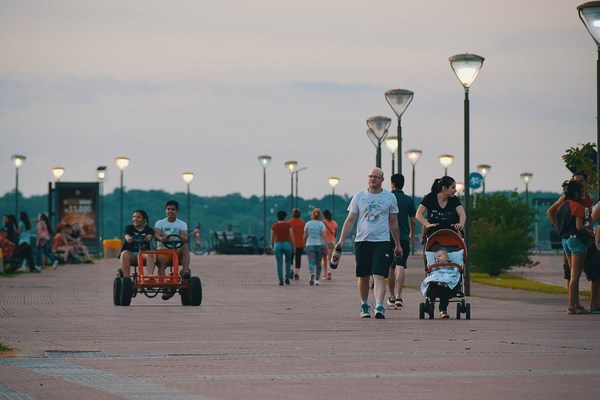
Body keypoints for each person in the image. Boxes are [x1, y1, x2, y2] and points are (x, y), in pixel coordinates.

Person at [336, 168, 402, 319]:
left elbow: (394, 222)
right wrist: (341, 239)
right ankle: (364, 304)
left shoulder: (389, 197)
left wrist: (397, 244)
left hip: (382, 241)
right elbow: (350, 220)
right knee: (364, 276)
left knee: (379, 275)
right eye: (370, 176)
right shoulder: (359, 196)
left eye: (376, 177)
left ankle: (379, 306)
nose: (372, 179)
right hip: (362, 241)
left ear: (382, 180)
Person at [547, 171, 599, 310]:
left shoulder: (589, 198)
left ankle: (588, 304)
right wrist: (561, 228)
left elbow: (589, 218)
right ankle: (573, 304)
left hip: (581, 238)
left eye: (581, 181)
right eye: (576, 181)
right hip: (577, 238)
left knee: (595, 271)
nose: (579, 184)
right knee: (573, 274)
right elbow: (550, 212)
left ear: (585, 183)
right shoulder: (567, 200)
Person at [387, 173, 417, 309]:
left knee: (390, 267)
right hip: (404, 236)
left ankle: (392, 296)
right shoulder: (408, 200)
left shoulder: (387, 197)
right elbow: (413, 220)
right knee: (400, 265)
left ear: (392, 183)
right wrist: (411, 233)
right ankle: (399, 296)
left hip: (387, 237)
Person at [154, 200, 191, 300]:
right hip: (163, 251)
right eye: (168, 209)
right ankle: (164, 286)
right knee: (161, 262)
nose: (170, 211)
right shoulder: (160, 223)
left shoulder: (181, 224)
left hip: (176, 250)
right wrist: (161, 238)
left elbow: (184, 235)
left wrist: (183, 238)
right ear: (166, 210)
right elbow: (156, 234)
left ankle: (185, 271)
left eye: (173, 209)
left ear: (177, 211)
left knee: (185, 248)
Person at [415, 176, 466, 243]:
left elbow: (462, 213)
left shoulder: (454, 199)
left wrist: (461, 224)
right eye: (453, 188)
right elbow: (418, 214)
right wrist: (427, 224)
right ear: (444, 188)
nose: (455, 190)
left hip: (449, 234)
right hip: (433, 234)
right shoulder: (430, 197)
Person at [420, 247, 461, 319]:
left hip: (447, 285)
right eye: (436, 258)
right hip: (436, 284)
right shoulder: (436, 267)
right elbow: (433, 272)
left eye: (439, 256)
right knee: (432, 283)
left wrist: (456, 270)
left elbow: (455, 271)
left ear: (446, 257)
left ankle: (443, 310)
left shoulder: (450, 264)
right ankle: (431, 303)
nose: (437, 259)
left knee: (444, 296)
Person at [119, 210, 155, 278]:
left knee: (150, 254)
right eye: (134, 217)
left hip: (143, 254)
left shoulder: (148, 229)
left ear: (143, 219)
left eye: (138, 217)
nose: (135, 219)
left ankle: (150, 276)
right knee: (124, 253)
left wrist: (148, 237)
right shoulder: (129, 228)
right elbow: (127, 235)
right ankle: (126, 278)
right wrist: (128, 238)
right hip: (131, 255)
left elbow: (150, 235)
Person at [270, 210, 295, 285]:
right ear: (285, 217)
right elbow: (292, 236)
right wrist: (294, 246)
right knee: (288, 261)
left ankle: (281, 280)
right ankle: (287, 278)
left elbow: (272, 237)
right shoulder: (288, 225)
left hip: (278, 244)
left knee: (279, 263)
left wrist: (272, 246)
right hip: (287, 244)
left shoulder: (274, 226)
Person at [304, 208, 327, 286]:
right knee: (318, 263)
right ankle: (317, 280)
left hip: (309, 244)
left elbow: (305, 236)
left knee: (311, 262)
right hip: (319, 245)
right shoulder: (321, 224)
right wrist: (326, 246)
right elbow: (324, 236)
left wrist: (304, 244)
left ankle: (311, 273)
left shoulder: (308, 224)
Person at [287, 208, 305, 281]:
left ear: (292, 214)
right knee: (298, 258)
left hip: (290, 243)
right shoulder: (303, 223)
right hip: (300, 243)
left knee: (290, 258)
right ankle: (297, 273)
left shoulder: (288, 222)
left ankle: (291, 269)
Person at [321, 209, 337, 280]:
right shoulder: (334, 223)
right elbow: (335, 234)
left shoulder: (322, 223)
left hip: (325, 242)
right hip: (332, 242)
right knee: (330, 258)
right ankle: (329, 270)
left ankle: (324, 275)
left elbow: (321, 234)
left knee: (324, 259)